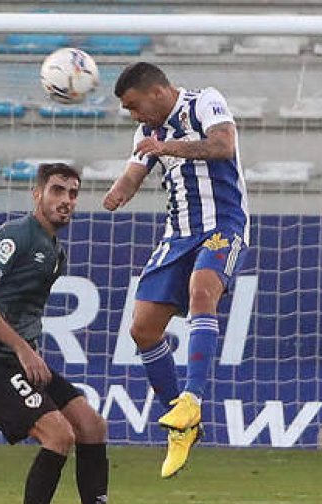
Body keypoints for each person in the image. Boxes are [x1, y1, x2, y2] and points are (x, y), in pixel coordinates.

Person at [0, 162, 149, 504]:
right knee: (58, 434)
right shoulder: (15, 236)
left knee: (92, 426)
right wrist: (22, 348)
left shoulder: (55, 252)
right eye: (58, 190)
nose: (66, 200)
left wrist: (26, 351)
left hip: (17, 358)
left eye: (73, 193)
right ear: (38, 194)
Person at [103, 62, 251, 479]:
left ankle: (192, 397)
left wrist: (165, 149)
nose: (134, 116)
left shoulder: (205, 101)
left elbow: (222, 146)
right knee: (143, 329)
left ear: (155, 92)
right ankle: (181, 427)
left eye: (134, 106)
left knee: (202, 290)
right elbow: (133, 174)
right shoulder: (145, 134)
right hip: (178, 236)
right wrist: (114, 194)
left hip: (224, 226)